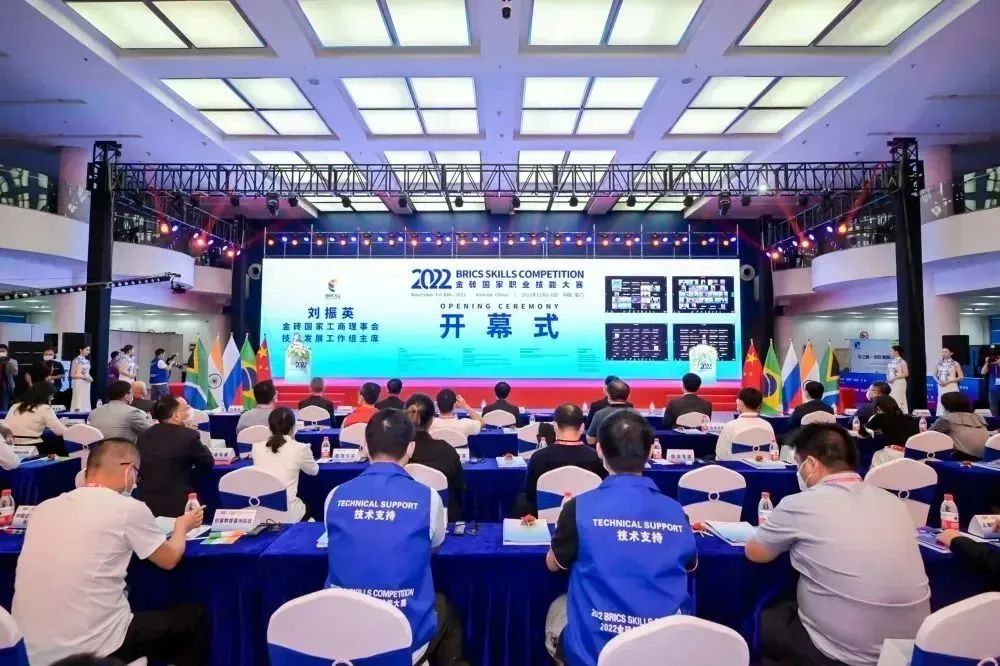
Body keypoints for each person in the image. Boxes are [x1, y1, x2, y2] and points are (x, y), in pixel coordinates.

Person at [745, 423, 930, 666]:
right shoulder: (894, 502)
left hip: (839, 653)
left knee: (760, 619)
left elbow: (756, 552)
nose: (798, 472)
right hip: (909, 651)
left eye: (799, 464)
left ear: (811, 464)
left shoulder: (800, 503)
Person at [12, 438, 208, 665]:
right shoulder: (127, 508)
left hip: (28, 649)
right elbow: (169, 558)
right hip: (92, 649)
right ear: (129, 470)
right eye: (137, 475)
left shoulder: (44, 508)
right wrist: (182, 526)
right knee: (192, 619)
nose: (136, 482)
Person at [545, 410, 696, 666]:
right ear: (650, 451)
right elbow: (691, 565)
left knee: (558, 607)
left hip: (594, 654)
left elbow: (554, 564)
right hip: (665, 651)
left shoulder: (579, 507)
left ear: (599, 449)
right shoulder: (675, 510)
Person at [323, 409, 467, 665]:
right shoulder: (429, 498)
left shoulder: (335, 495)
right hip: (404, 637)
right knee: (445, 606)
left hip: (342, 634)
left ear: (365, 446)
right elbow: (434, 546)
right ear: (411, 448)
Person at [135, 396, 214, 518]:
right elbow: (207, 463)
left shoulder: (143, 435)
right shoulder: (188, 435)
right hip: (177, 505)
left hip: (145, 502)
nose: (189, 411)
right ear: (176, 416)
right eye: (186, 408)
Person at [524, 403, 605, 516]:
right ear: (582, 427)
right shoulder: (597, 458)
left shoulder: (538, 458)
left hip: (545, 520)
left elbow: (531, 495)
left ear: (555, 426)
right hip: (588, 519)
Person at [252, 407, 319, 522]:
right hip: (288, 513)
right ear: (293, 427)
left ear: (269, 427)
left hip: (261, 510)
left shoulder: (256, 447)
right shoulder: (300, 448)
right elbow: (314, 471)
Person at [405, 393, 465, 522]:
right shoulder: (446, 450)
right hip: (442, 518)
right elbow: (459, 488)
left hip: (403, 516)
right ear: (432, 419)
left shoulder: (394, 449)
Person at [2, 382, 68, 451]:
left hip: (8, 446)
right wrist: (68, 428)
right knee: (58, 439)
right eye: (51, 396)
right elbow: (59, 431)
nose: (52, 399)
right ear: (46, 396)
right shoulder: (45, 408)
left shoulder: (15, 405)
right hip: (32, 445)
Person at [715, 387, 776, 461]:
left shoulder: (730, 426)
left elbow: (721, 455)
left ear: (740, 403)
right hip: (763, 467)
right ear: (759, 406)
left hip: (735, 467)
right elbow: (774, 453)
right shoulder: (768, 426)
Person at [87, 380, 152, 443]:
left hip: (99, 449)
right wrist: (149, 420)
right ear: (127, 397)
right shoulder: (133, 412)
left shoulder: (94, 412)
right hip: (122, 449)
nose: (132, 395)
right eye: (132, 393)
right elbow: (151, 430)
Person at [930, 391, 989, 460]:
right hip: (987, 458)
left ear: (947, 406)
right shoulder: (979, 418)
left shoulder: (946, 419)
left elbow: (926, 436)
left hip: (963, 459)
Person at [585, 379, 633, 445]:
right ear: (627, 396)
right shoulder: (636, 414)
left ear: (608, 395)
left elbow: (590, 441)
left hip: (605, 450)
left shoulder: (599, 414)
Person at [934, 346, 963, 417]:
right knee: (941, 402)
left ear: (951, 353)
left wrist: (948, 381)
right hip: (941, 386)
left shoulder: (955, 363)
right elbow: (934, 375)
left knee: (952, 401)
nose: (943, 353)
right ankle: (941, 418)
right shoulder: (939, 363)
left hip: (951, 386)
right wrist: (938, 382)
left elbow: (961, 376)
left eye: (946, 352)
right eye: (942, 352)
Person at [69, 345, 93, 412]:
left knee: (86, 398)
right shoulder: (76, 360)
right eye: (86, 349)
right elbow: (72, 375)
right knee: (78, 398)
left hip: (87, 382)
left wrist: (90, 377)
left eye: (89, 350)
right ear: (80, 350)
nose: (88, 351)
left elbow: (87, 372)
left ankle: (86, 411)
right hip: (79, 381)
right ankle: (77, 413)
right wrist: (84, 377)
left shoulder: (88, 361)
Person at [886, 345, 909, 414]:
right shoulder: (890, 362)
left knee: (898, 398)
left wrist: (894, 378)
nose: (890, 352)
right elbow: (887, 372)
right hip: (890, 383)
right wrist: (888, 379)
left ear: (896, 352)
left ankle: (900, 414)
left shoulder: (902, 361)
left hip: (899, 382)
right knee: (891, 398)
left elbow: (906, 373)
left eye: (891, 351)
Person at [980, 346, 1000, 416]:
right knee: (993, 410)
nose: (995, 359)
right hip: (993, 390)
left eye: (997, 357)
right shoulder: (991, 363)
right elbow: (983, 372)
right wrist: (987, 362)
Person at [0, 344, 18, 411]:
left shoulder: (12, 361)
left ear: (7, 352)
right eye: (0, 351)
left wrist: (8, 363)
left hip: (7, 387)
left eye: (3, 351)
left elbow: (15, 372)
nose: (1, 353)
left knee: (4, 407)